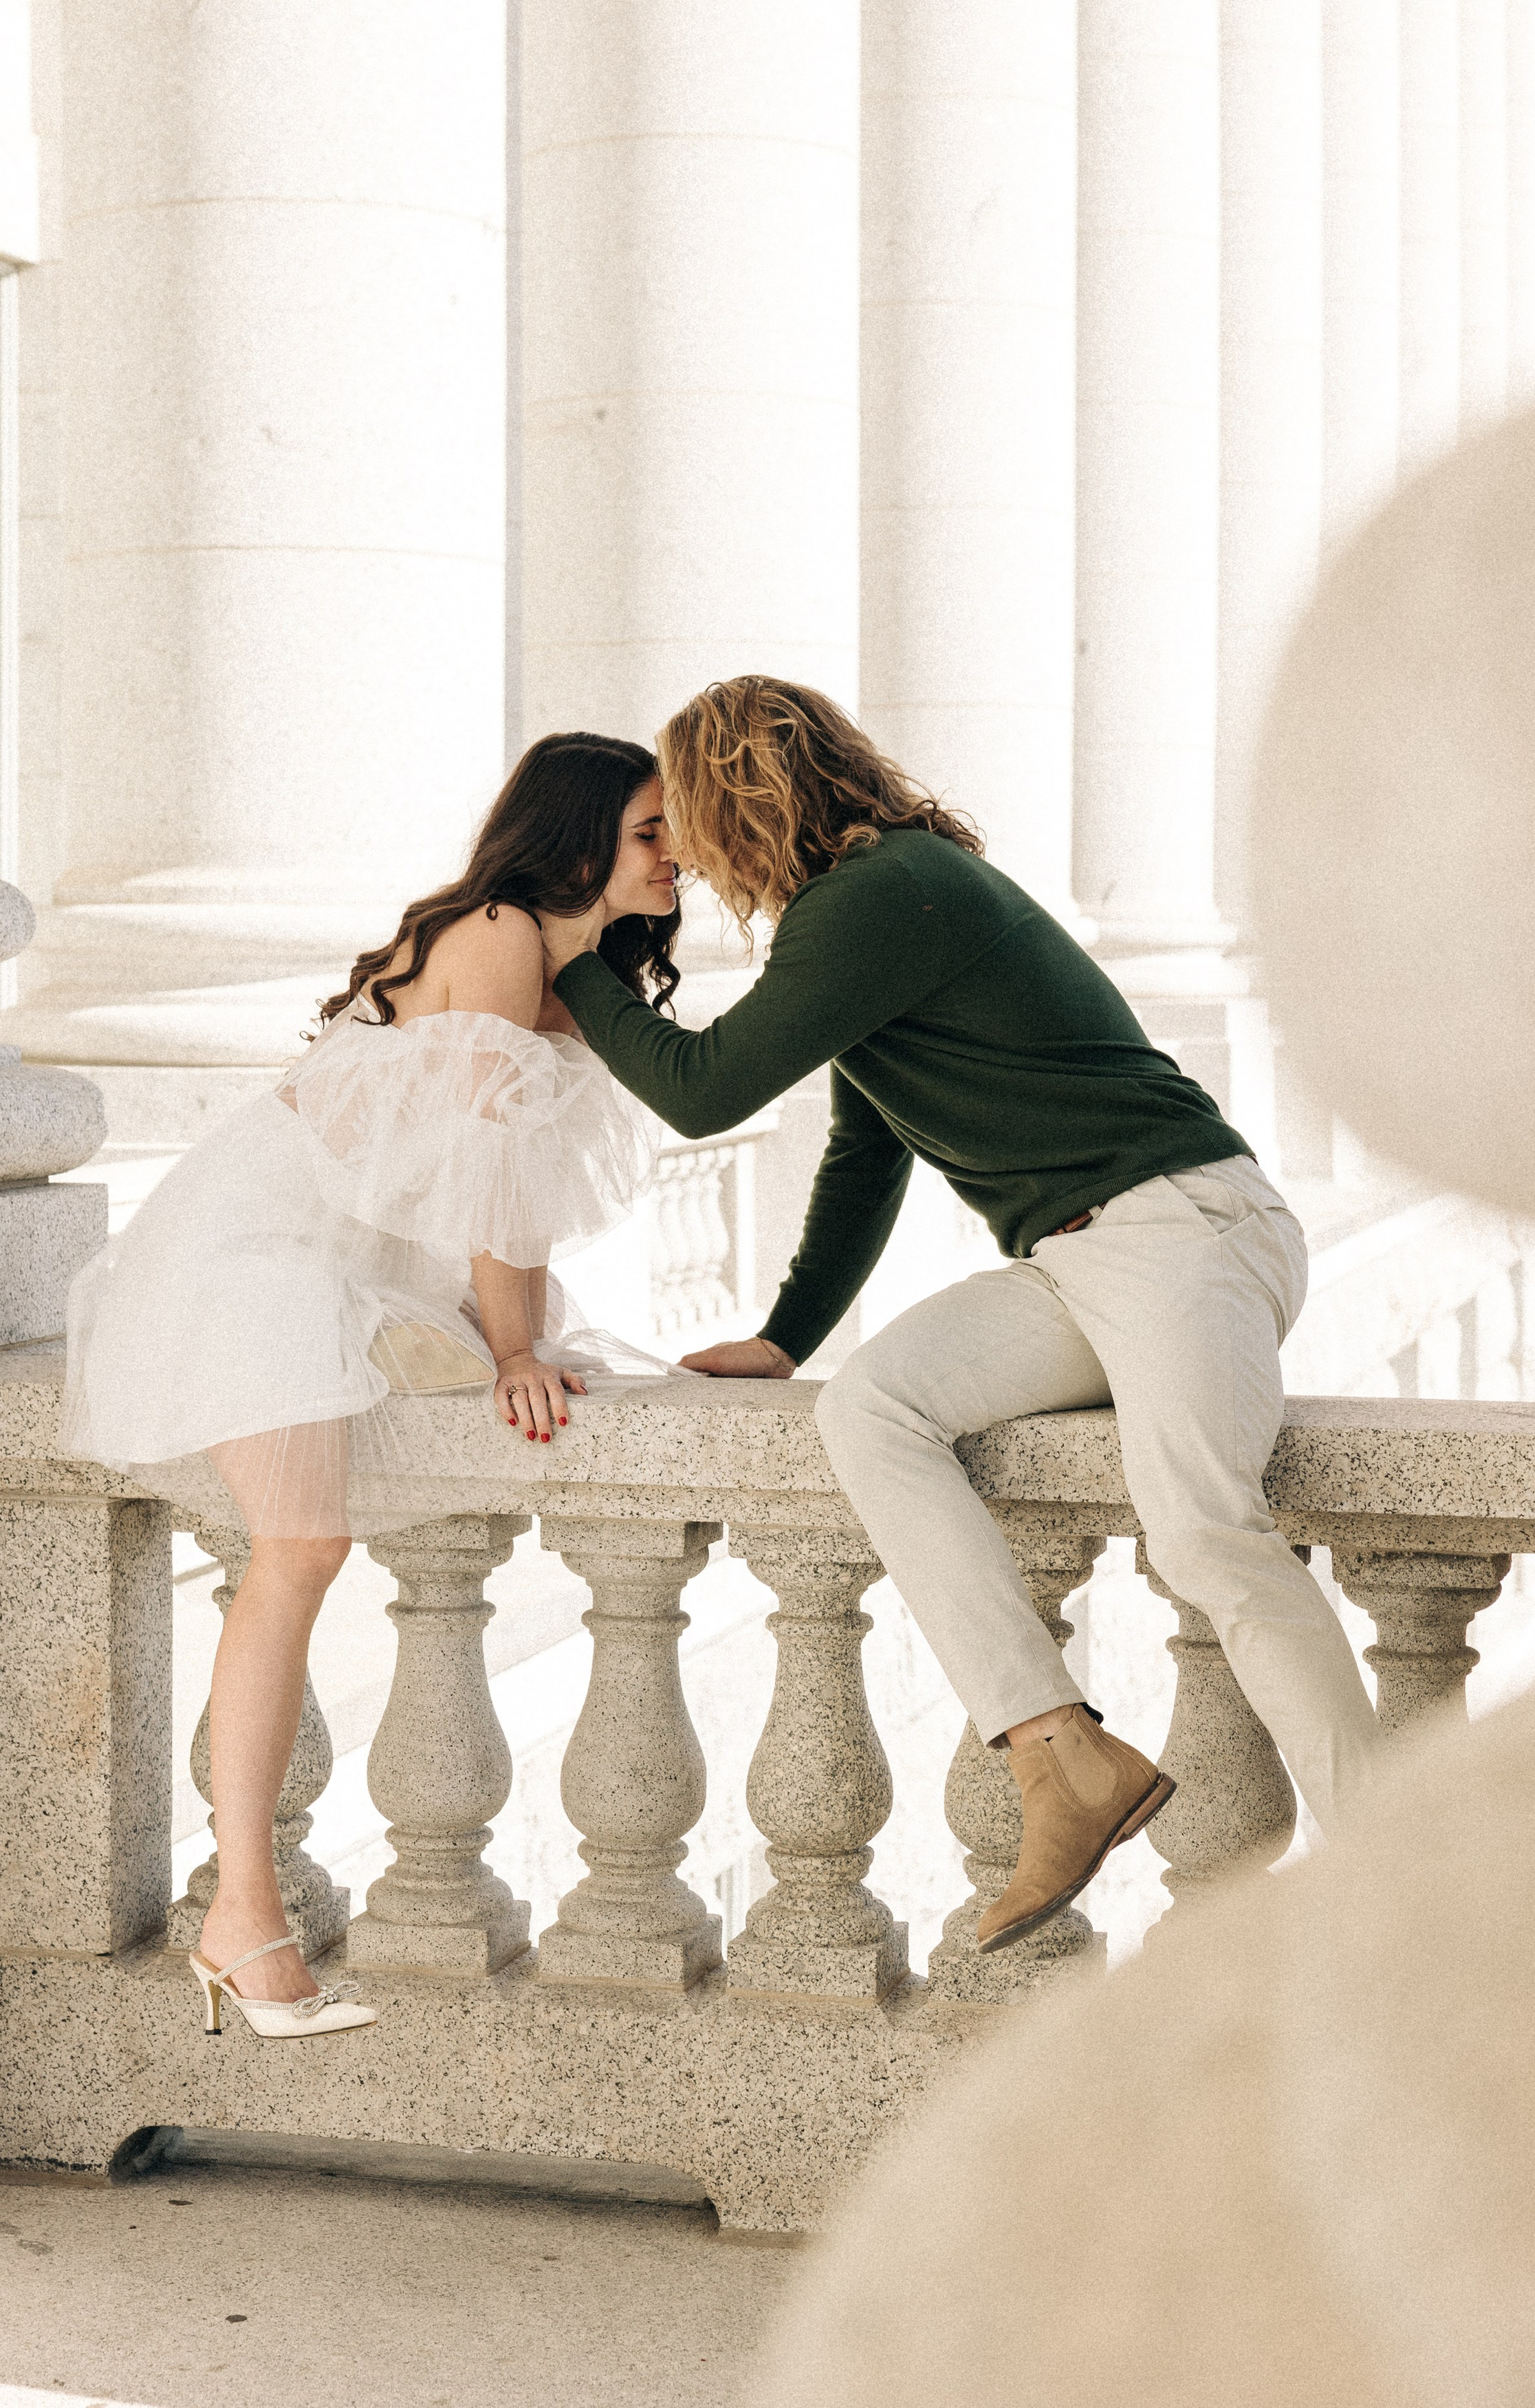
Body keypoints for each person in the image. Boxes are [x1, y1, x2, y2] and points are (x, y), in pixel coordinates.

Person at [536, 676, 1380, 1953]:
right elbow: (866, 1149)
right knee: (873, 1408)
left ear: (736, 793)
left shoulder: (881, 895)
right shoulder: (865, 907)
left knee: (1209, 1536)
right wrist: (788, 1338)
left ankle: (1389, 1865)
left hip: (1183, 1229)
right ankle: (1060, 1757)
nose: (688, 855)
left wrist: (574, 960)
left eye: (686, 818)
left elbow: (702, 1092)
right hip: (1085, 1260)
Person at [61, 735, 682, 2032]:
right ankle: (242, 1912)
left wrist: (517, 1339)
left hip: (346, 1256)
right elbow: (491, 1169)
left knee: (308, 1547)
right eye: (649, 830)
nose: (675, 854)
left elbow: (511, 1182)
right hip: (264, 1245)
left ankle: (242, 1916)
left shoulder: (568, 966)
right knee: (299, 1550)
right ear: (576, 840)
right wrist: (513, 1352)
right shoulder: (502, 933)